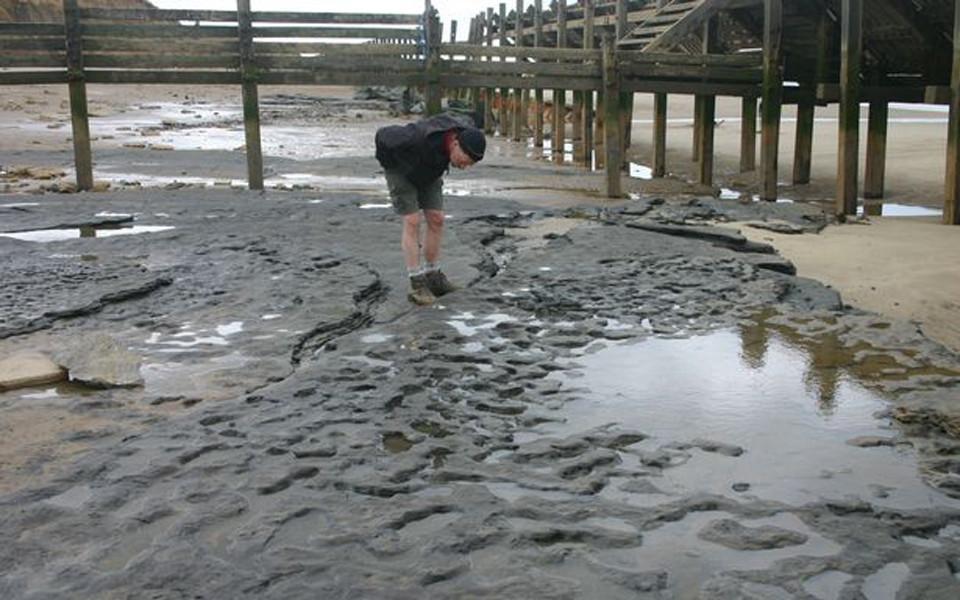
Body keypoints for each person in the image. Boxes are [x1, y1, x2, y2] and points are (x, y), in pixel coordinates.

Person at [375, 113, 486, 305]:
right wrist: (392, 166)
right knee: (412, 220)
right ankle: (416, 283)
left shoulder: (461, 133)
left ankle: (433, 278)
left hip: (430, 171)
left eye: (470, 164)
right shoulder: (416, 138)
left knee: (437, 218)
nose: (465, 167)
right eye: (466, 161)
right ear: (455, 144)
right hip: (401, 172)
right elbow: (382, 135)